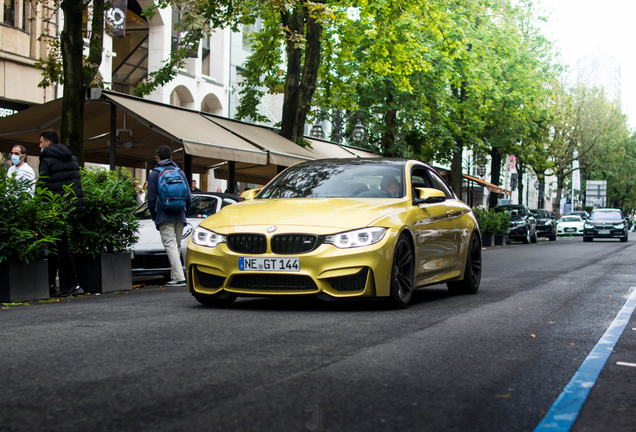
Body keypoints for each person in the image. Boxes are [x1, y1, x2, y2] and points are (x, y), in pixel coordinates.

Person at [38, 129, 85, 297]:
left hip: (54, 207)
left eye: (41, 142)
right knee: (57, 245)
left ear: (48, 143)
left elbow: (42, 182)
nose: (40, 145)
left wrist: (38, 205)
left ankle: (72, 284)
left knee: (60, 246)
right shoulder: (71, 157)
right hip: (69, 207)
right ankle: (52, 285)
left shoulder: (46, 158)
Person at [147, 145, 192, 286]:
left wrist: (155, 217)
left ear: (158, 158)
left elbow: (151, 198)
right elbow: (189, 196)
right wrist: (185, 211)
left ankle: (179, 278)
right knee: (176, 246)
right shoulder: (180, 172)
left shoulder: (155, 174)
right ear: (171, 157)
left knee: (171, 246)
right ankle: (175, 276)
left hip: (164, 215)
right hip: (179, 214)